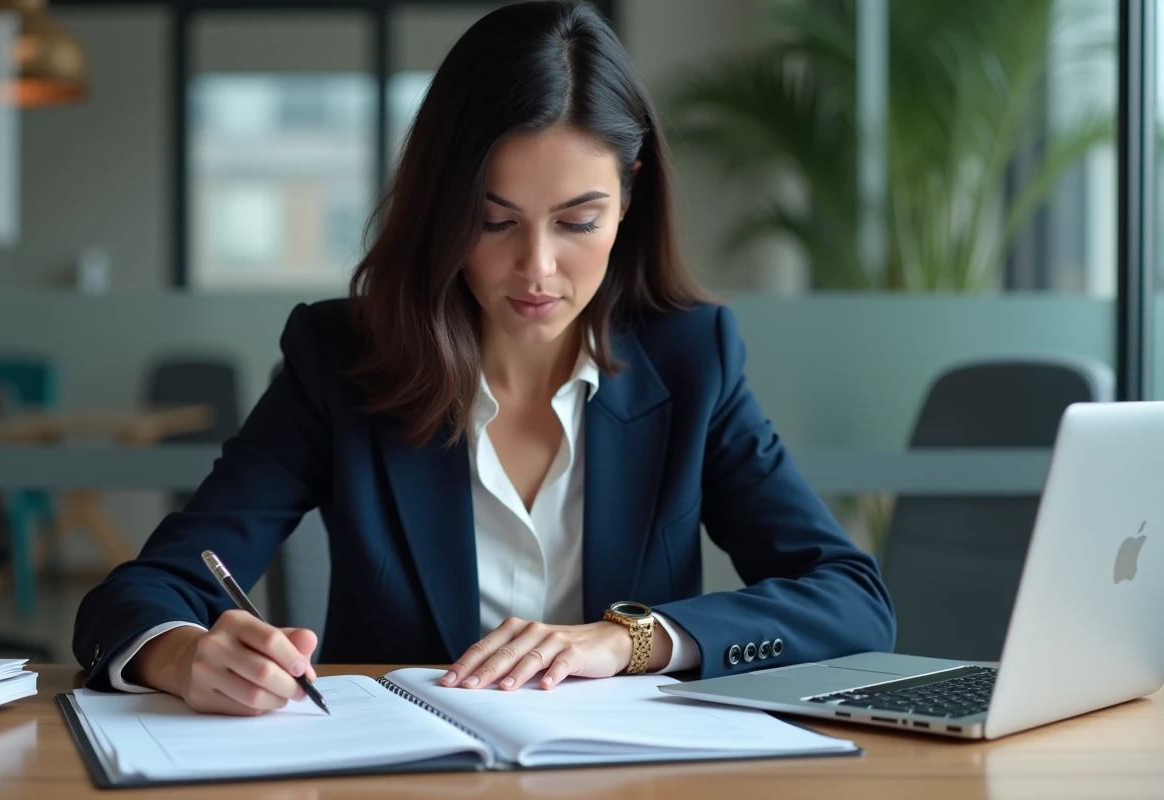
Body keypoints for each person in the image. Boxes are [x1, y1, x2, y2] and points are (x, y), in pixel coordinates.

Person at [73, 0, 895, 716]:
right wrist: (183, 656)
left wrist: (627, 641)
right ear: (441, 207)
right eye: (494, 221)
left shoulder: (690, 360)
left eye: (578, 221)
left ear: (630, 200)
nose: (536, 268)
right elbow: (142, 594)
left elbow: (850, 599)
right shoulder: (342, 360)